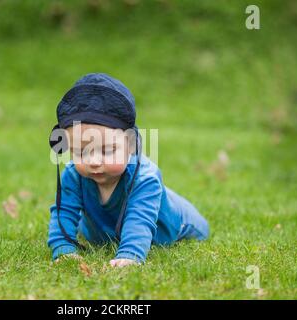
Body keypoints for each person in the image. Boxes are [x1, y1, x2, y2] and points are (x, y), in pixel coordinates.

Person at [48, 73, 209, 267]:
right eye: (81, 152)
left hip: (170, 225)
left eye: (108, 150)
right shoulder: (74, 175)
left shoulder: (145, 178)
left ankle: (169, 203)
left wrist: (130, 254)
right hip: (102, 229)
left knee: (199, 227)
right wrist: (63, 250)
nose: (94, 161)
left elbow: (139, 219)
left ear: (131, 144)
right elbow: (63, 211)